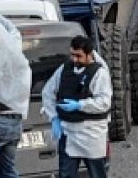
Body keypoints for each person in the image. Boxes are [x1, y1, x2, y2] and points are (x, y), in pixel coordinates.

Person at [41, 36, 112, 178]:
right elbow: (48, 92)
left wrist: (80, 105)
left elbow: (104, 102)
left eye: (78, 56)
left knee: (97, 174)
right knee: (66, 174)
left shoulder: (99, 73)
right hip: (68, 133)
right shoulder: (65, 69)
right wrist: (54, 117)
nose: (74, 59)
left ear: (89, 54)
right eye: (72, 55)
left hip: (92, 134)